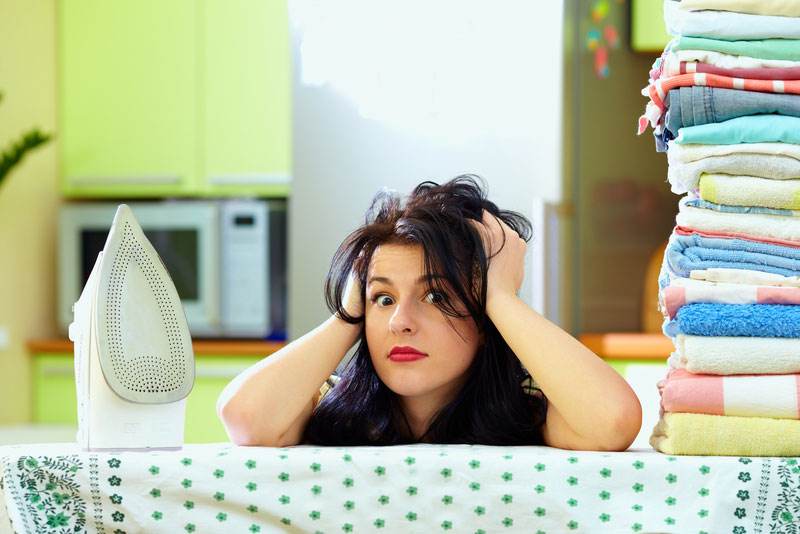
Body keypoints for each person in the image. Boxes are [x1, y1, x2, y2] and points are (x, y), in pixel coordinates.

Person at [217, 175, 642, 449]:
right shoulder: (325, 408)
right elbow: (245, 420)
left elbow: (614, 421)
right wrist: (349, 314)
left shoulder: (528, 420)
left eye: (437, 296)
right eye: (383, 299)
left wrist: (501, 299)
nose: (399, 321)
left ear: (485, 319)